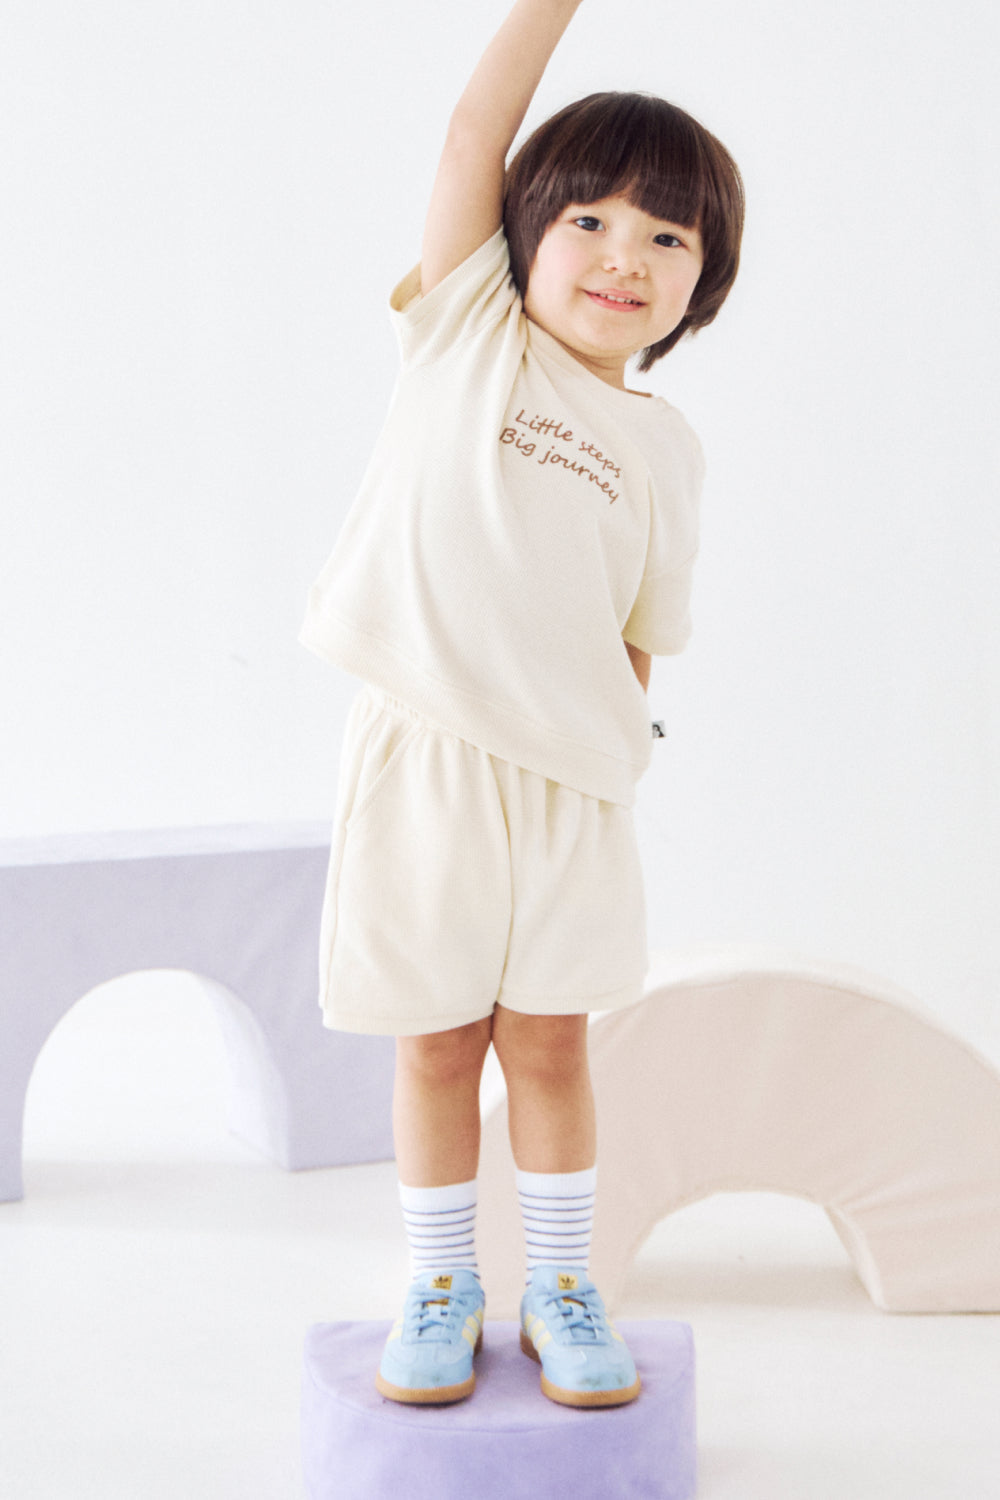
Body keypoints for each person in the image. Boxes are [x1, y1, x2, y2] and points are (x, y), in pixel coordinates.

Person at [300, 0, 743, 1408]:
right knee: (437, 1039)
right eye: (591, 221)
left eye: (669, 240)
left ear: (702, 289)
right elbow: (471, 133)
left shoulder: (665, 450)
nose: (625, 256)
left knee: (551, 1040)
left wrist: (614, 764)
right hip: (427, 759)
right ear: (522, 236)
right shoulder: (469, 332)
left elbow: (641, 635)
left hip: (569, 789)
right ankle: (442, 1283)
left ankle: (562, 1284)